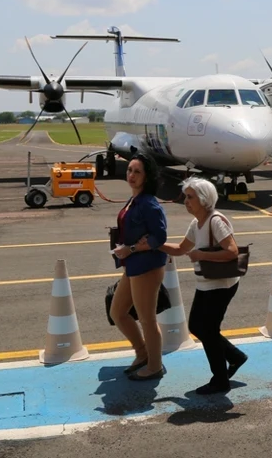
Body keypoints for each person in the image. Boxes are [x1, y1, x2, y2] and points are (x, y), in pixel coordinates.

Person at [162, 177, 248, 395]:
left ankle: (220, 380)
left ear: (203, 199)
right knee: (197, 326)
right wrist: (155, 245)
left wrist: (200, 255)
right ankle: (235, 357)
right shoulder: (197, 223)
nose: (186, 201)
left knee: (208, 330)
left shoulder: (215, 221)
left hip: (221, 284)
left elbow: (232, 251)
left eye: (190, 197)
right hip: (206, 282)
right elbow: (181, 249)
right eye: (185, 197)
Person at [108, 154, 169, 380]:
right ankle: (142, 353)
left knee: (147, 319)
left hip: (147, 267)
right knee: (117, 312)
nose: (131, 175)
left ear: (147, 176)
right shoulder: (134, 199)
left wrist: (131, 249)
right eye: (129, 170)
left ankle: (154, 366)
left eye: (137, 172)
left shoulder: (149, 203)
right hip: (133, 266)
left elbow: (159, 237)